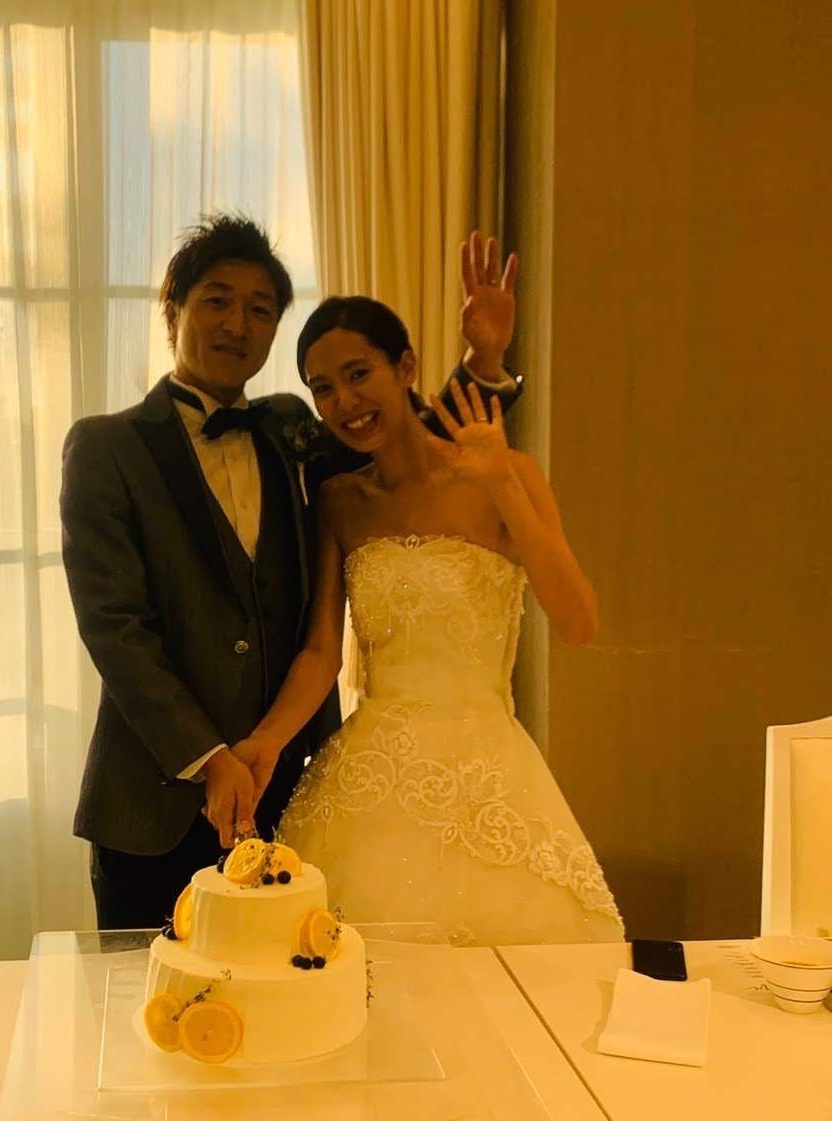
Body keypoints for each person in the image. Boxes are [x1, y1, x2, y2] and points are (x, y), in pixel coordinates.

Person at [61, 215, 524, 930]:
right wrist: (208, 757)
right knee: (148, 990)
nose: (237, 324)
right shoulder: (105, 447)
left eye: (259, 309)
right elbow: (114, 628)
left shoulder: (289, 427)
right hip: (152, 804)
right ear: (172, 309)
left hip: (283, 794)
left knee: (289, 976)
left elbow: (406, 448)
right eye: (217, 300)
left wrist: (482, 363)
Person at [232, 240, 625, 945]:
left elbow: (579, 622)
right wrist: (265, 742)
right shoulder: (340, 501)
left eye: (359, 374)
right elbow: (322, 652)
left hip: (488, 770)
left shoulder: (508, 474)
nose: (344, 402)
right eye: (323, 388)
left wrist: (501, 484)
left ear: (405, 367)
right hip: (370, 775)